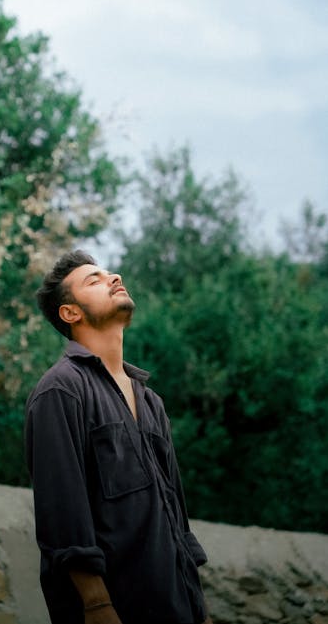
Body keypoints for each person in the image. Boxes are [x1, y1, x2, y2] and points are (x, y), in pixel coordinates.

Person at [25, 250, 212, 624]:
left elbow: (178, 516)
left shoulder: (152, 402)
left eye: (110, 272)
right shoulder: (61, 390)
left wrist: (199, 609)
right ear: (71, 312)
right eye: (94, 279)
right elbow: (62, 511)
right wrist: (96, 604)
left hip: (178, 607)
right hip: (115, 610)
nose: (114, 277)